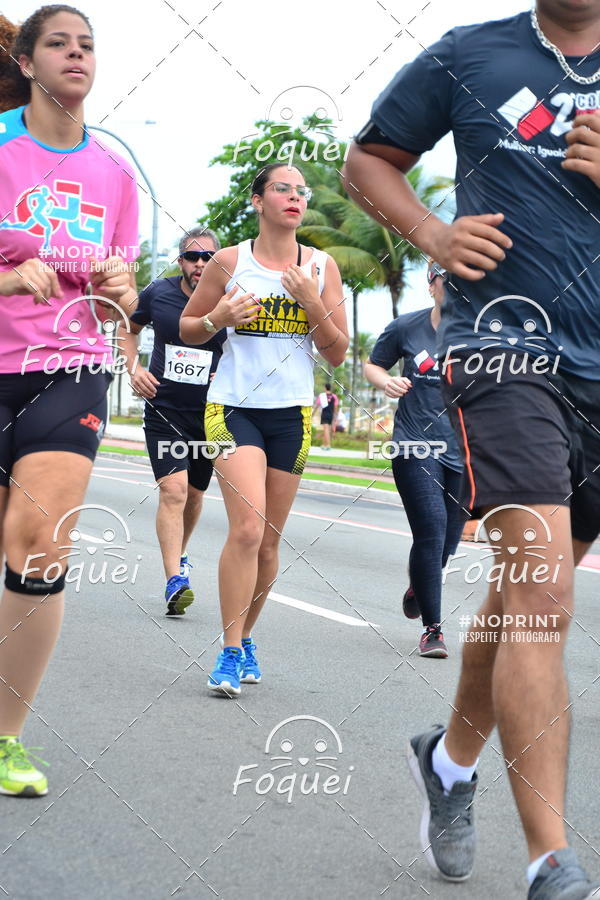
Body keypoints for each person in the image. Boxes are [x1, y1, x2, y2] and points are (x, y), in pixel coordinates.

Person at [344, 2, 600, 896]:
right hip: (504, 350)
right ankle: (551, 862)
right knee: (543, 591)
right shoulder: (469, 54)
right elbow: (368, 158)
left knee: (519, 596)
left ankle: (449, 766)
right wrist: (431, 232)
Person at [0, 5, 139, 797]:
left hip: (69, 366)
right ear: (26, 62)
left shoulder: (116, 175)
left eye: (87, 45)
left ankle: (7, 736)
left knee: (39, 539)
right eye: (58, 43)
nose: (76, 55)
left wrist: (119, 287)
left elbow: (119, 294)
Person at [180, 163, 348, 696]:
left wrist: (311, 301)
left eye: (302, 191)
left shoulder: (322, 268)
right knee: (247, 530)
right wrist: (219, 318)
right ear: (257, 200)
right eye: (282, 188)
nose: (295, 197)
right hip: (231, 406)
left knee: (270, 544)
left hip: (292, 414)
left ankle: (246, 637)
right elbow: (188, 327)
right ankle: (229, 652)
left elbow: (338, 352)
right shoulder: (230, 261)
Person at [119, 227, 225, 615]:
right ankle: (173, 581)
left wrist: (228, 375)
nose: (200, 264)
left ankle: (180, 556)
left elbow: (248, 351)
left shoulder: (231, 297)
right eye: (193, 257)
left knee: (195, 495)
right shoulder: (157, 293)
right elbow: (127, 329)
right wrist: (133, 368)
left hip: (213, 414)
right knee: (174, 491)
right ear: (180, 261)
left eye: (208, 257)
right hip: (164, 409)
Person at [364, 261, 466, 658]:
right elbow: (372, 365)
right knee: (432, 529)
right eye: (447, 280)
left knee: (448, 543)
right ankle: (433, 630)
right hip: (414, 444)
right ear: (432, 285)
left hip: (463, 452)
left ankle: (418, 585)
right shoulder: (407, 327)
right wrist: (385, 381)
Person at [313, 382, 339, 450]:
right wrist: (335, 417)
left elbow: (316, 406)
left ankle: (328, 445)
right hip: (331, 414)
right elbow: (336, 407)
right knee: (327, 430)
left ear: (325, 388)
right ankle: (324, 444)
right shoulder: (334, 396)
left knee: (326, 430)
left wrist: (312, 414)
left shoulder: (322, 396)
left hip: (325, 414)